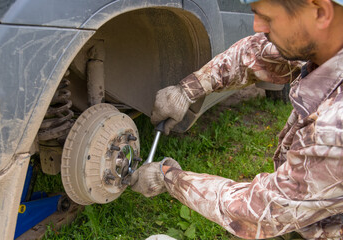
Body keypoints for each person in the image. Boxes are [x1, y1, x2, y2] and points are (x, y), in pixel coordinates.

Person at [130, 0, 343, 239]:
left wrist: (169, 177)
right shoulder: (327, 40)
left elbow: (260, 211)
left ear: (321, 12)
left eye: (268, 18)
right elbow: (255, 53)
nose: (257, 26)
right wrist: (188, 90)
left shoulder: (334, 128)